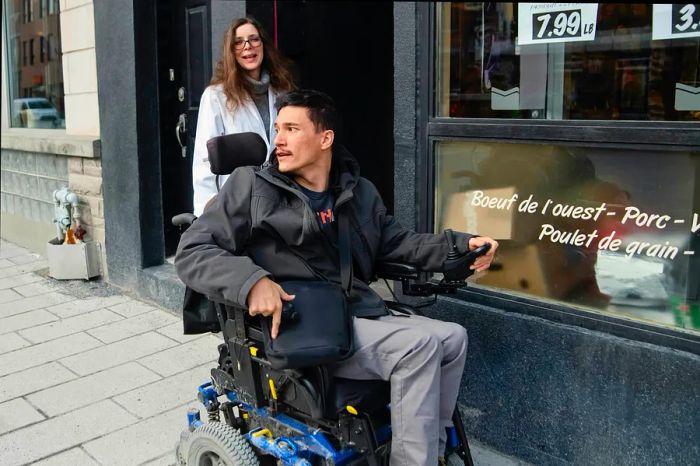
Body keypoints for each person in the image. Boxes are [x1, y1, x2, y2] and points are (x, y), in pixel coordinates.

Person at [175, 90, 498, 466]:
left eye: (292, 128)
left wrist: (459, 248)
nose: (278, 139)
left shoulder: (356, 191)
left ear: (325, 138)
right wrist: (251, 283)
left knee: (453, 338)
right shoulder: (251, 187)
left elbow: (397, 244)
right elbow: (193, 251)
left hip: (353, 310)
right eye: (277, 128)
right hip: (304, 323)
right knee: (420, 346)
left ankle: (434, 450)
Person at [192, 16, 294, 215]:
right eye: (238, 42)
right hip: (237, 202)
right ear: (231, 52)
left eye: (254, 39)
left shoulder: (282, 91)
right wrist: (207, 210)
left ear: (263, 44)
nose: (247, 46)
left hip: (280, 197)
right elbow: (204, 158)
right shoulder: (216, 96)